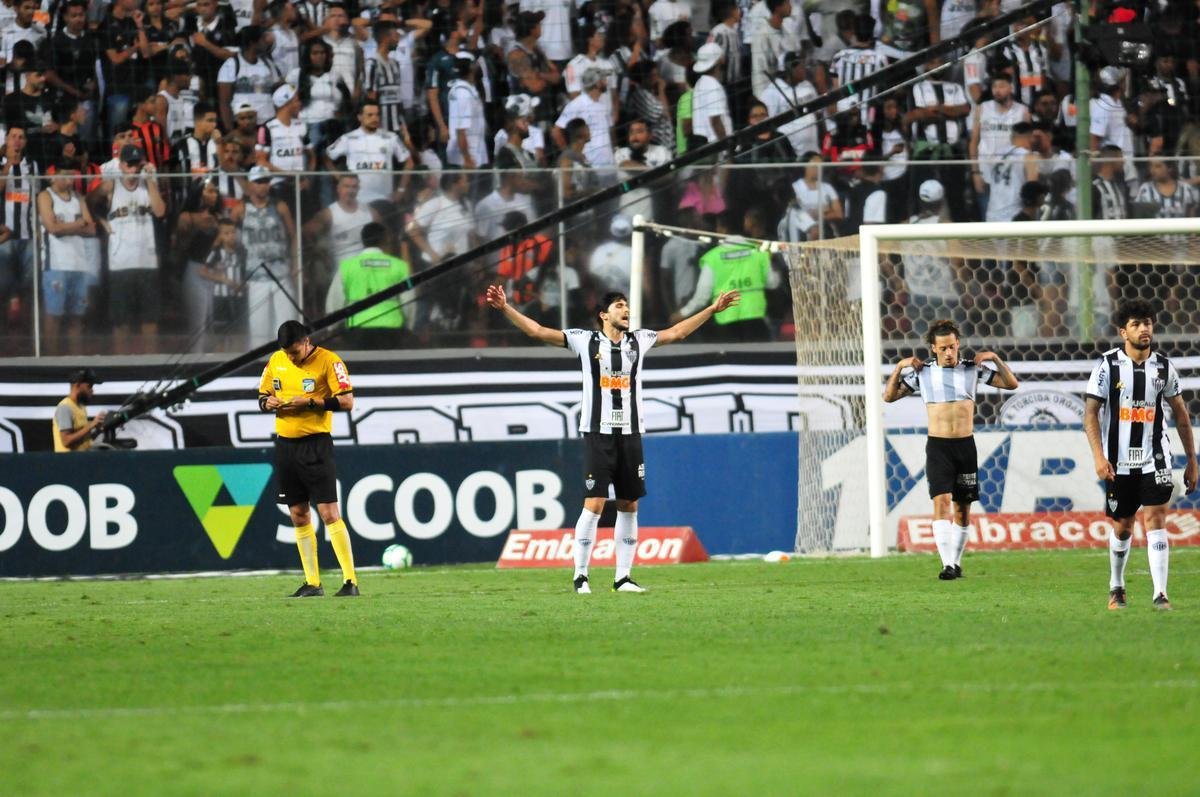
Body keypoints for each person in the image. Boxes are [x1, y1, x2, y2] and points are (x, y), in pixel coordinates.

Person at [485, 284, 741, 593]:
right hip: (598, 433)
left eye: (627, 306)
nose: (627, 310)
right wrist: (506, 308)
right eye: (620, 306)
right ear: (604, 315)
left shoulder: (639, 340)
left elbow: (677, 333)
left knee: (629, 504)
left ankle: (623, 578)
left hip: (631, 434)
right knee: (593, 503)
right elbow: (538, 331)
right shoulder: (584, 340)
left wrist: (712, 310)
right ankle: (581, 575)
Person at [881, 318, 1019, 580]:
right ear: (933, 348)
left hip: (966, 446)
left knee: (962, 510)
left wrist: (995, 359)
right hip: (938, 447)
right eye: (942, 348)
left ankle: (955, 563)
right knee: (941, 503)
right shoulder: (922, 373)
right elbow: (888, 397)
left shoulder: (972, 369)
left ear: (958, 345)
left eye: (952, 347)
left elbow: (1011, 384)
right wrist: (899, 367)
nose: (948, 352)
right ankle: (947, 564)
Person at [1084, 300, 1197, 611]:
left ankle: (1160, 594)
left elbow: (1181, 415)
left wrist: (1191, 460)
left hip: (1155, 457)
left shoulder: (1163, 367)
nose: (1144, 328)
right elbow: (1091, 413)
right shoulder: (1107, 366)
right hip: (1118, 461)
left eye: (1147, 322)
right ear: (1123, 332)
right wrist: (1098, 456)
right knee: (1123, 525)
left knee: (1156, 518)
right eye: (1136, 324)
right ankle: (1116, 586)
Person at [257, 320, 359, 598]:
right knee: (298, 514)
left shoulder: (329, 361)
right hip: (286, 446)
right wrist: (268, 403)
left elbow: (348, 401)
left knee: (328, 513)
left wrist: (312, 402)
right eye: (287, 353)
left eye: (294, 352)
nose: (291, 357)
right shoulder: (276, 360)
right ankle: (313, 583)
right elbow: (262, 395)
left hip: (315, 445)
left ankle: (350, 582)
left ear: (306, 341)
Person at [97, 144, 166, 353]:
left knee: (150, 318)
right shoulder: (112, 186)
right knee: (121, 320)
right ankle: (121, 361)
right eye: (130, 164)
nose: (134, 169)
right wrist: (101, 221)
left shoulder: (147, 186)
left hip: (146, 260)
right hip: (120, 263)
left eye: (137, 164)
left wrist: (151, 181)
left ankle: (150, 363)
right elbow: (91, 203)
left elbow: (160, 211)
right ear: (122, 164)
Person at [38, 161, 98, 355]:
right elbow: (52, 228)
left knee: (77, 317)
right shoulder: (46, 196)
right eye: (65, 175)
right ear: (54, 175)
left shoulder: (78, 198)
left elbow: (91, 229)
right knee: (53, 315)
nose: (70, 180)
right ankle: (50, 360)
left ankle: (76, 359)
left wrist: (67, 226)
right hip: (56, 264)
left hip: (79, 264)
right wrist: (77, 224)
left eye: (72, 175)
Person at [325, 221, 410, 349]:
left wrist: (333, 328)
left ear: (363, 240)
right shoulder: (400, 266)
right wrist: (409, 326)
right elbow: (409, 299)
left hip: (358, 327)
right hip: (392, 329)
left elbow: (335, 298)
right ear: (385, 239)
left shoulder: (347, 266)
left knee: (361, 367)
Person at [53, 368, 106, 453]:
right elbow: (66, 441)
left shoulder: (81, 407)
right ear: (77, 385)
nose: (92, 391)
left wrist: (98, 428)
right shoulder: (65, 408)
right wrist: (91, 425)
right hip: (67, 463)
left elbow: (83, 440)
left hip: (81, 461)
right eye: (89, 386)